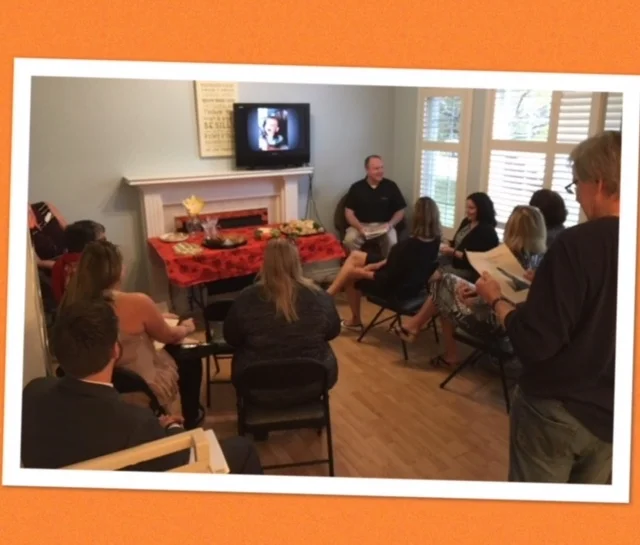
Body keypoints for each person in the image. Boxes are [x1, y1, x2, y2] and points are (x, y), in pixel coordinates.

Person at [473, 130, 620, 483]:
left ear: (599, 183)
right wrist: (550, 284)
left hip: (558, 408)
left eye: (577, 183)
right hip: (614, 415)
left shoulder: (577, 244)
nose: (577, 194)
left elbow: (534, 342)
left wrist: (496, 300)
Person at [21, 298, 263, 474]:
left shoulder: (32, 393)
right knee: (243, 449)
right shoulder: (136, 423)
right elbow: (180, 462)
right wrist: (173, 428)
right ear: (115, 350)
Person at [60, 240, 203, 429]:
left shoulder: (71, 306)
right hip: (142, 385)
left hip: (95, 387)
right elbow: (169, 336)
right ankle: (190, 420)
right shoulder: (137, 302)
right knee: (190, 353)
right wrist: (186, 327)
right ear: (118, 270)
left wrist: (157, 317)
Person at [397, 205, 546, 366]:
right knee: (446, 284)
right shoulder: (541, 260)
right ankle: (417, 326)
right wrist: (475, 291)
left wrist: (473, 297)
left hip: (499, 324)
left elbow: (494, 300)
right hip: (519, 325)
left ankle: (437, 343)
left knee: (444, 289)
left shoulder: (509, 259)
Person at [223, 238, 341, 400]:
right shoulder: (320, 296)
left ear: (265, 264)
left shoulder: (246, 298)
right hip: (314, 383)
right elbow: (333, 332)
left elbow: (231, 338)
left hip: (257, 386)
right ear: (297, 263)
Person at [326, 197, 442, 330]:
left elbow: (388, 278)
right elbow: (397, 262)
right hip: (412, 285)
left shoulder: (405, 246)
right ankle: (328, 296)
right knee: (355, 256)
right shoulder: (435, 242)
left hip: (394, 290)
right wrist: (375, 265)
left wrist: (361, 272)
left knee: (350, 274)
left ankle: (352, 318)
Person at [343, 155, 407, 257]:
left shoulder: (391, 186)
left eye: (382, 167)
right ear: (367, 170)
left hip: (384, 225)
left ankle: (386, 266)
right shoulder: (356, 187)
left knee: (392, 241)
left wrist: (390, 224)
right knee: (349, 240)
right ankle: (357, 264)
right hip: (361, 225)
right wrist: (360, 228)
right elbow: (349, 213)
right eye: (376, 168)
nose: (380, 171)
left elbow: (400, 210)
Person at [438, 192, 500, 282]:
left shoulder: (487, 231)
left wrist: (453, 252)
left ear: (481, 210)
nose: (467, 211)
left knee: (439, 272)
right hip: (455, 261)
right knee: (431, 261)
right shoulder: (466, 222)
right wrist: (447, 242)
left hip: (470, 270)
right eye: (467, 207)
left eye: (471, 208)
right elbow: (457, 243)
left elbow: (475, 259)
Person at [51, 220, 106, 304]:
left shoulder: (59, 264)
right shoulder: (93, 265)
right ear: (89, 245)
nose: (107, 245)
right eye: (103, 241)